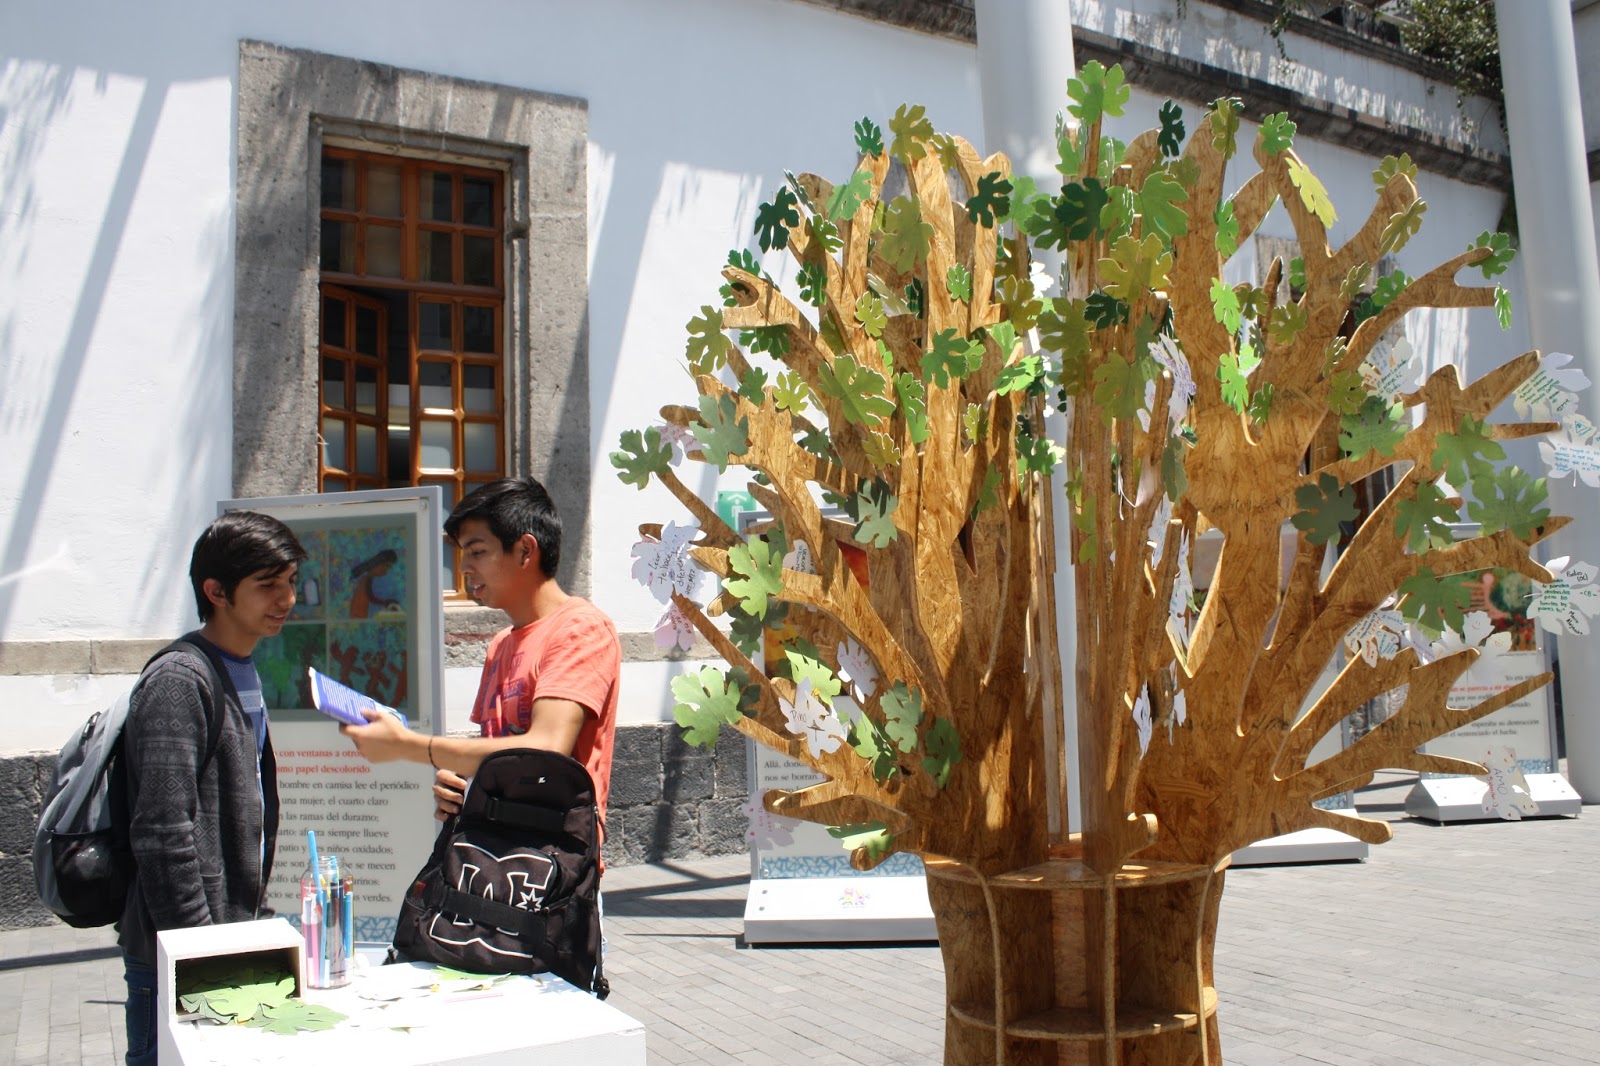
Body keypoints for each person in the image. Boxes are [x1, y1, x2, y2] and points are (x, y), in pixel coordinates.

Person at [118, 511, 307, 1066]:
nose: (286, 599)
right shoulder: (180, 680)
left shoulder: (241, 667)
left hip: (228, 936)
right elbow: (161, 829)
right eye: (268, 585)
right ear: (216, 591)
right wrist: (200, 949)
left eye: (291, 581)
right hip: (182, 949)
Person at [341, 476, 621, 839]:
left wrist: (411, 747)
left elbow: (547, 749)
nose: (464, 569)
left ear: (525, 550)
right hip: (492, 858)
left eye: (476, 551)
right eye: (462, 554)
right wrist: (461, 784)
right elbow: (497, 750)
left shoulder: (581, 629)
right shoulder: (501, 644)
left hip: (551, 867)